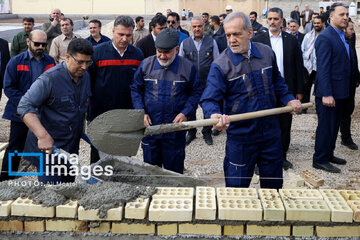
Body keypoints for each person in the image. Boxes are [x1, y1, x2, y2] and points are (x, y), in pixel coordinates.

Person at [200, 11, 301, 188]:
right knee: (236, 192)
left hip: (270, 134)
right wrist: (214, 114)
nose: (232, 40)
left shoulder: (266, 53)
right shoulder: (221, 65)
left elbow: (278, 83)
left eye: (237, 34)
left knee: (273, 189)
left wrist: (289, 99)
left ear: (250, 33)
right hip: (241, 138)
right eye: (228, 34)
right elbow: (209, 99)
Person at [16, 38, 93, 184]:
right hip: (50, 149)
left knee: (68, 187)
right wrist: (42, 135)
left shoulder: (85, 77)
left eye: (88, 62)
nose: (84, 67)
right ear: (68, 57)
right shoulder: (49, 79)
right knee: (52, 192)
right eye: (80, 62)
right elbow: (24, 106)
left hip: (71, 146)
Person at [131, 28, 202, 174]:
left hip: (174, 131)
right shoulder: (146, 65)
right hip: (151, 130)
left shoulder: (187, 68)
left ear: (176, 49)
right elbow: (136, 89)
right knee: (151, 172)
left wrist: (185, 112)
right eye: (159, 51)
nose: (162, 56)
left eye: (167, 52)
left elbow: (196, 92)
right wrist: (141, 112)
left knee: (174, 173)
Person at [252, 8, 304, 170]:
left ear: (282, 21)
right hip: (264, 90)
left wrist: (299, 92)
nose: (272, 22)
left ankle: (281, 156)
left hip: (286, 90)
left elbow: (298, 66)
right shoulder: (258, 39)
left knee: (284, 124)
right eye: (270, 19)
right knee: (263, 124)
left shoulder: (291, 40)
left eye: (275, 19)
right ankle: (260, 160)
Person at [0, 30, 55, 181]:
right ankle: (5, 180)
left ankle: (44, 181)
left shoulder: (50, 62)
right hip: (20, 115)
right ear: (28, 42)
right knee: (15, 147)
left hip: (43, 114)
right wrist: (27, 104)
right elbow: (9, 87)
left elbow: (54, 85)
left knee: (44, 148)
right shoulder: (16, 62)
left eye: (44, 44)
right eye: (37, 44)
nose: (40, 47)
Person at [88, 16, 144, 163]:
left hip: (126, 114)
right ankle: (97, 182)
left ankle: (122, 182)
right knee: (99, 152)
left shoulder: (137, 55)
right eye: (121, 34)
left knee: (124, 153)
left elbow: (139, 85)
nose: (125, 39)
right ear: (113, 31)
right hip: (101, 113)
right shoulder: (97, 53)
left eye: (128, 35)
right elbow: (88, 82)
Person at [313, 3, 352, 173]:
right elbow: (323, 68)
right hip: (328, 94)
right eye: (342, 14)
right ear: (331, 17)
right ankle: (319, 159)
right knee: (325, 126)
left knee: (334, 126)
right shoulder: (325, 37)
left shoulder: (341, 35)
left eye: (347, 14)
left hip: (340, 92)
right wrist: (327, 94)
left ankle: (328, 154)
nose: (345, 17)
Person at [179, 16, 220, 146]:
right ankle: (191, 132)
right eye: (194, 26)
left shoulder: (211, 42)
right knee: (190, 109)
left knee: (208, 109)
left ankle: (206, 132)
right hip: (191, 84)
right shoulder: (185, 43)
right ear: (191, 27)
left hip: (207, 83)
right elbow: (181, 64)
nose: (197, 29)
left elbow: (217, 62)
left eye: (199, 26)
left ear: (204, 26)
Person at [339, 19, 360, 150]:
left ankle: (346, 138)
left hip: (351, 83)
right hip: (340, 83)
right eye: (351, 29)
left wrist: (357, 76)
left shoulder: (351, 38)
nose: (353, 32)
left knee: (348, 110)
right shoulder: (335, 41)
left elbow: (354, 57)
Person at [301, 15, 325, 113]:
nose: (316, 25)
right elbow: (303, 50)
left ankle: (319, 108)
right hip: (308, 66)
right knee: (306, 87)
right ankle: (304, 108)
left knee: (320, 88)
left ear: (323, 23)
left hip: (321, 67)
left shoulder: (326, 36)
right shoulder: (308, 36)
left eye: (318, 23)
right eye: (314, 23)